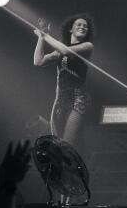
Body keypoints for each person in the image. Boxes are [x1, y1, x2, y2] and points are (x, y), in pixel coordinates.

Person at [33, 14, 95, 147]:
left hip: (78, 99)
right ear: (70, 29)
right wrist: (41, 38)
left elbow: (65, 50)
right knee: (58, 144)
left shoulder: (87, 46)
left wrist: (45, 35)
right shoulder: (59, 50)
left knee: (68, 144)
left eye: (85, 26)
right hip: (60, 99)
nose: (83, 27)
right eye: (79, 24)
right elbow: (38, 61)